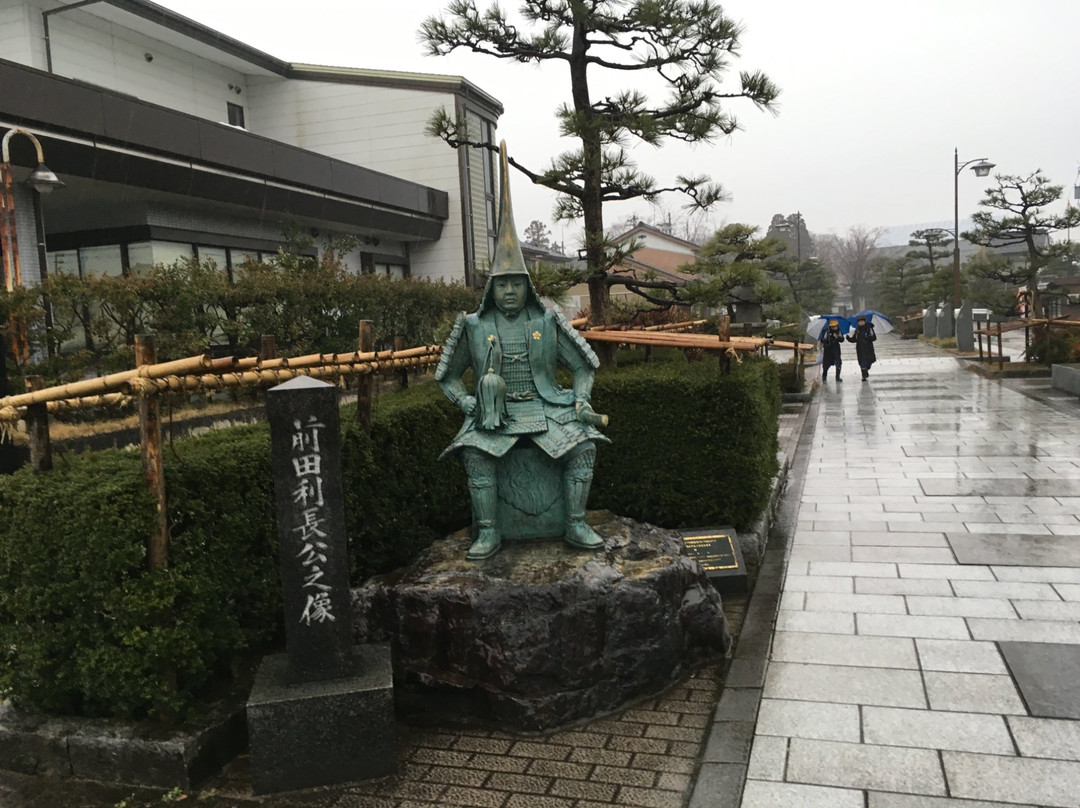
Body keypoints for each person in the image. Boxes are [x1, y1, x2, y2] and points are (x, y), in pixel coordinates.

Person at [436, 143, 609, 561]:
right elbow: (446, 376)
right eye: (502, 284)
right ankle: (489, 532)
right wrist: (468, 402)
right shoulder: (473, 326)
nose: (509, 291)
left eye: (516, 283)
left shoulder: (547, 321)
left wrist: (581, 398)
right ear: (490, 288)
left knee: (584, 445)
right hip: (495, 414)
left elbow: (585, 366)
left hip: (547, 407)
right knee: (475, 454)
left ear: (527, 285)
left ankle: (575, 521)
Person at [846, 314, 877, 380]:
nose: (861, 322)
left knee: (869, 362)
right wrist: (848, 338)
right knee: (862, 363)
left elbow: (874, 338)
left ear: (864, 321)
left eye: (862, 321)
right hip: (860, 349)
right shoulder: (857, 330)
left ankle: (866, 370)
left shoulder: (869, 328)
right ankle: (864, 376)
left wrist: (867, 337)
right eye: (859, 322)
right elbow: (854, 339)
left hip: (868, 348)